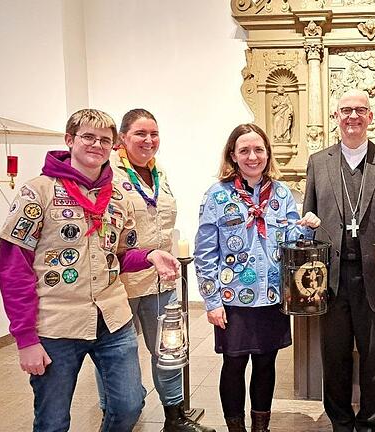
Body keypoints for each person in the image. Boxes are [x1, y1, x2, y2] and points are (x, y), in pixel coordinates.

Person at [0, 109, 180, 431]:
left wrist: (150, 255)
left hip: (113, 318)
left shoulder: (117, 197)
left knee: (128, 406)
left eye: (104, 140)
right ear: (70, 140)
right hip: (57, 324)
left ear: (113, 146)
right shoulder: (37, 192)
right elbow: (14, 269)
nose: (97, 145)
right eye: (88, 137)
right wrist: (25, 339)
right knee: (53, 421)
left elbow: (117, 255)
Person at [303, 89, 375, 432]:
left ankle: (371, 422)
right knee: (334, 355)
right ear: (336, 117)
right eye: (345, 111)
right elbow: (309, 212)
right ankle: (340, 420)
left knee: (374, 357)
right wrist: (307, 221)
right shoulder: (318, 162)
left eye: (360, 110)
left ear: (371, 117)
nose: (352, 116)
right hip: (331, 277)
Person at [194, 123, 320, 432]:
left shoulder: (280, 193)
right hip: (232, 298)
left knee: (266, 364)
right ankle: (236, 428)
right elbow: (205, 252)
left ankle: (260, 428)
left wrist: (307, 225)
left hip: (273, 296)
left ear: (267, 154)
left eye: (259, 150)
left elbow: (291, 238)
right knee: (234, 365)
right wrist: (211, 302)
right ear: (233, 155)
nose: (253, 156)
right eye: (245, 150)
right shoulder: (217, 196)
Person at [96, 109, 215, 432]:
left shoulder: (157, 171)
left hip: (159, 279)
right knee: (116, 355)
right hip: (118, 282)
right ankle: (114, 416)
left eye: (154, 134)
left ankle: (174, 418)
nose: (148, 141)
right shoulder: (108, 173)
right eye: (140, 134)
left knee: (169, 348)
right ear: (123, 138)